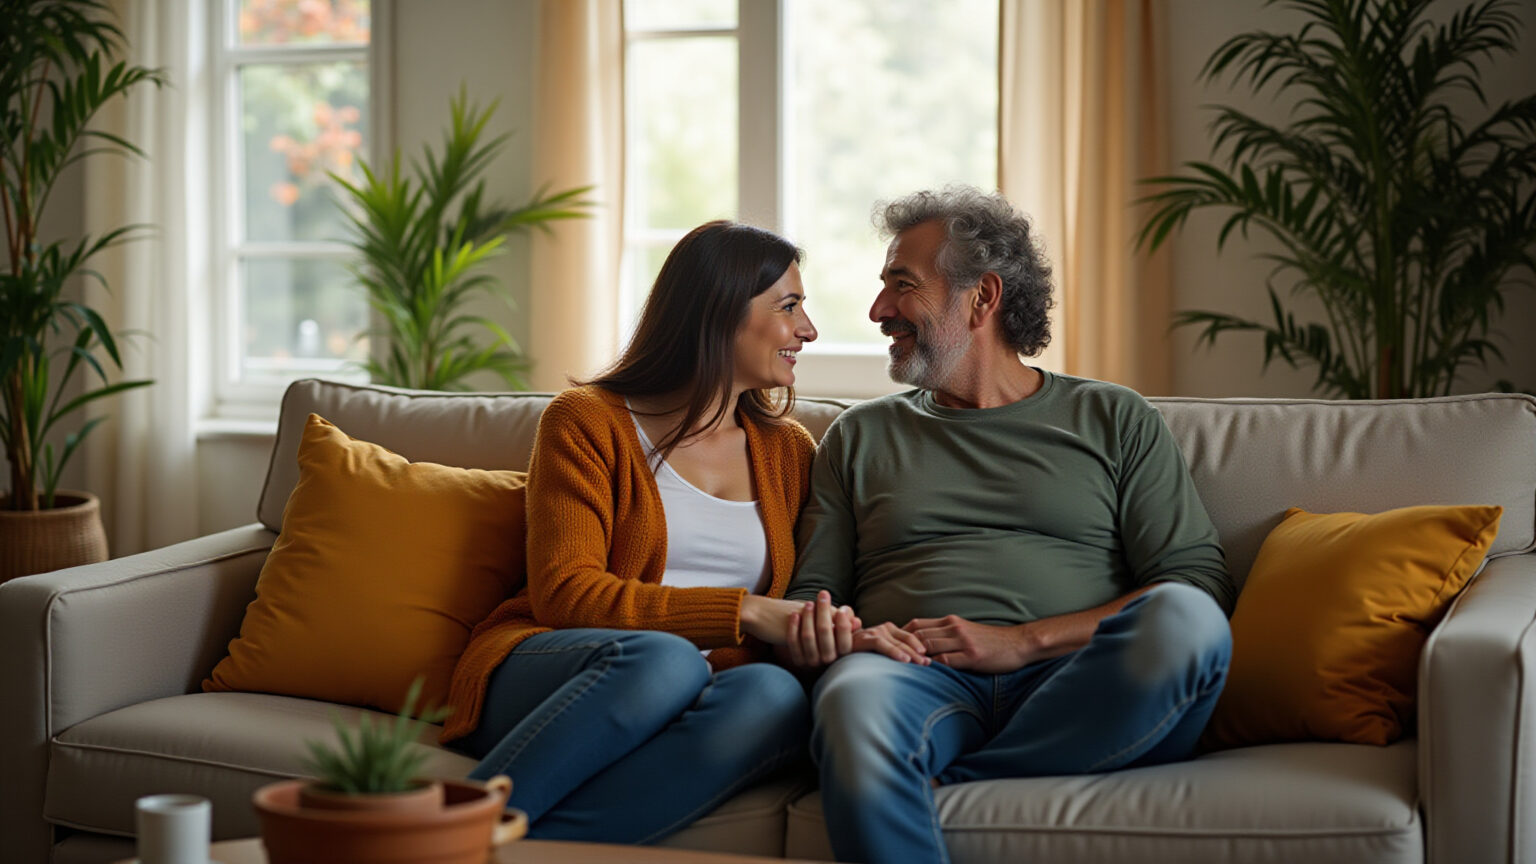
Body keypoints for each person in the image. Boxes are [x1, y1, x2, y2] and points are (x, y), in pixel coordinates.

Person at [783, 187, 1237, 864]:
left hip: (1078, 677)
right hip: (916, 677)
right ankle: (913, 770)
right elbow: (810, 596)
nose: (878, 311)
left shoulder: (1113, 417)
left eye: (901, 287)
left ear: (982, 297)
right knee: (853, 703)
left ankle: (934, 780)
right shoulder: (859, 436)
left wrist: (1022, 643)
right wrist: (843, 633)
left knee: (1187, 624)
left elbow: (1196, 582)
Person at [439, 220, 850, 844]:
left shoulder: (789, 451)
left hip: (701, 691)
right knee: (664, 660)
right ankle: (436, 842)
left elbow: (795, 612)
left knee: (772, 694)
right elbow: (566, 595)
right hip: (565, 673)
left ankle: (514, 849)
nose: (807, 329)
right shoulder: (587, 421)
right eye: (789, 306)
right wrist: (748, 612)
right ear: (718, 313)